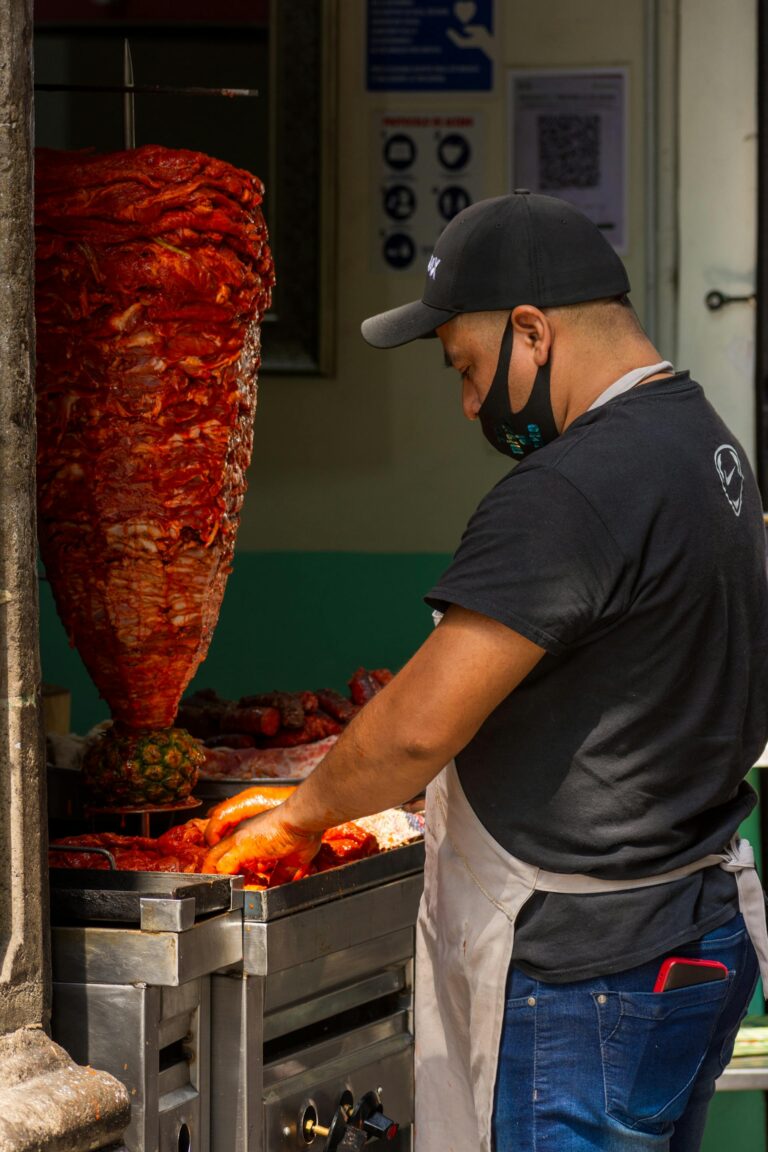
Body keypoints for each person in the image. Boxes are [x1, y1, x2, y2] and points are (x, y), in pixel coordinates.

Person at [203, 192, 768, 1152]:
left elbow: (420, 728)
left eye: (466, 369)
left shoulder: (572, 490)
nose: (470, 403)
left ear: (532, 332)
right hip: (687, 934)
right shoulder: (702, 440)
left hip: (587, 981)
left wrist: (297, 819)